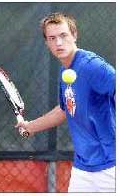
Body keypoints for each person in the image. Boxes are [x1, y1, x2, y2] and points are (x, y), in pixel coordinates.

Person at [16, 12, 115, 192]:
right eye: (52, 38)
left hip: (111, 166)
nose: (58, 43)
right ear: (47, 43)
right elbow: (64, 110)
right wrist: (30, 126)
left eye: (63, 36)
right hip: (82, 167)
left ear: (74, 35)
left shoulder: (91, 65)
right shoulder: (65, 72)